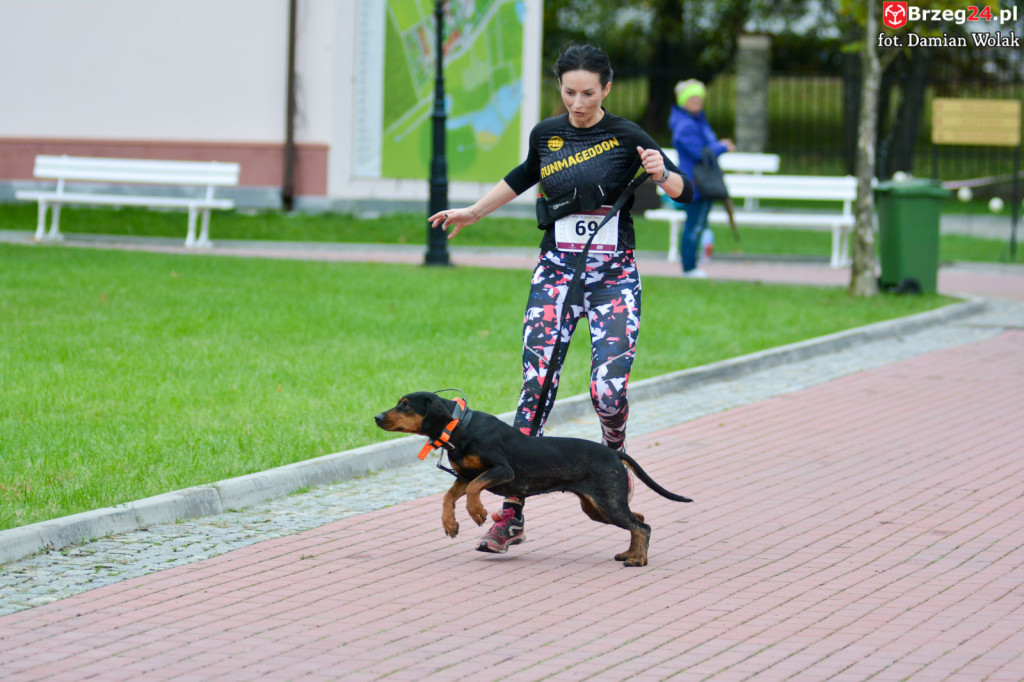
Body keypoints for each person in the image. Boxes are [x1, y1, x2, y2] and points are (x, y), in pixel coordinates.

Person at [428, 44, 693, 554]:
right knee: (535, 393)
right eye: (569, 92)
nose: (578, 102)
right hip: (556, 275)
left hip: (612, 277)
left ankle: (613, 457)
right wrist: (474, 212)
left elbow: (685, 188)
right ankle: (511, 516)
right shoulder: (547, 134)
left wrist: (662, 173)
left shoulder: (626, 135)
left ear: (606, 89)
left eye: (588, 93)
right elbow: (525, 174)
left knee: (608, 392)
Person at [668, 79, 735, 278]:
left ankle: (693, 264)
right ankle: (689, 267)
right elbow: (700, 152)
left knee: (698, 224)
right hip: (695, 182)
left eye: (700, 97)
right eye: (692, 97)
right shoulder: (686, 125)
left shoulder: (697, 119)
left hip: (703, 181)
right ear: (683, 100)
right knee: (694, 225)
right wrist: (722, 147)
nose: (697, 101)